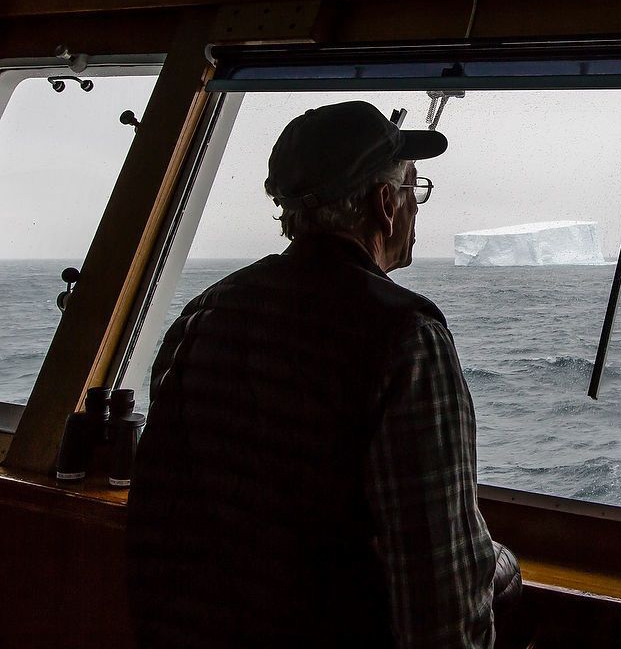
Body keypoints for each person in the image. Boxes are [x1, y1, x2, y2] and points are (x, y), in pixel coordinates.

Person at [127, 100, 516, 648]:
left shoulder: (205, 315)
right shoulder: (406, 338)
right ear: (384, 204)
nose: (416, 205)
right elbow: (440, 598)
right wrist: (501, 567)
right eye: (412, 188)